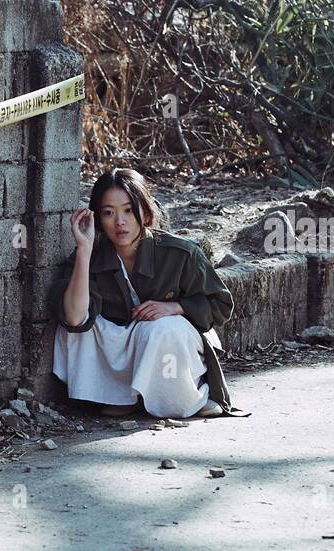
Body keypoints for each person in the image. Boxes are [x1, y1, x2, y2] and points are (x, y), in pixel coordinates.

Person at [50, 168, 245, 418]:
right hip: (123, 345)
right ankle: (122, 397)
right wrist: (84, 250)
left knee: (162, 329)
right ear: (98, 218)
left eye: (129, 210)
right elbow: (75, 319)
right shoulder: (91, 256)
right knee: (80, 322)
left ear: (145, 210)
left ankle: (185, 398)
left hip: (172, 345)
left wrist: (177, 307)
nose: (120, 221)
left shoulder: (181, 254)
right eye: (108, 213)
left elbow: (220, 305)